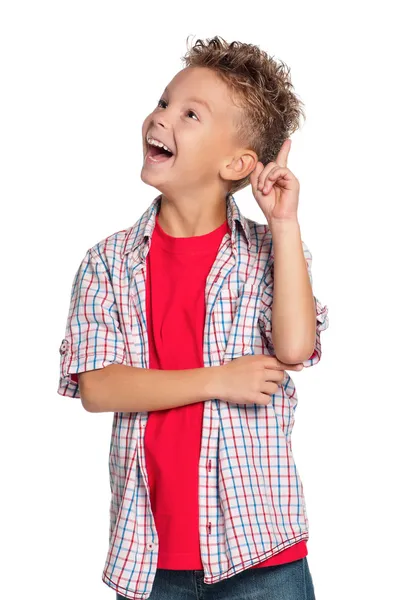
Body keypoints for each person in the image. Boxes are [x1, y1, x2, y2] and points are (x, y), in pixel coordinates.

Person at [57, 35, 329, 600]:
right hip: (151, 556)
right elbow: (99, 387)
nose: (161, 119)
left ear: (237, 162)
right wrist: (218, 380)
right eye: (163, 103)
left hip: (262, 552)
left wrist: (283, 223)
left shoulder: (268, 254)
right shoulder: (108, 263)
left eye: (189, 114)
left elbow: (295, 346)